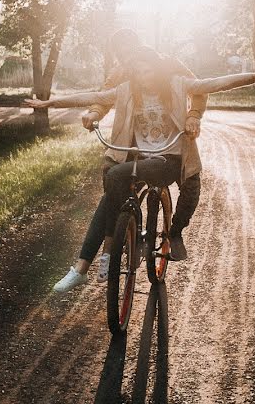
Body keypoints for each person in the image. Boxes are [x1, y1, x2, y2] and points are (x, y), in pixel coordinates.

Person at [25, 46, 255, 292]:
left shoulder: (177, 84)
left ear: (159, 68)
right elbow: (94, 96)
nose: (144, 77)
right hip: (141, 158)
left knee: (128, 177)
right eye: (138, 72)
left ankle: (166, 235)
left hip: (169, 160)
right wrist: (48, 104)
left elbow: (215, 84)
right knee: (111, 189)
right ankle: (86, 264)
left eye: (148, 70)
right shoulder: (128, 90)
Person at [80, 30, 205, 276]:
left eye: (129, 53)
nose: (126, 61)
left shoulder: (169, 65)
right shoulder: (120, 74)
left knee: (191, 184)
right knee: (113, 178)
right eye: (121, 56)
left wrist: (193, 116)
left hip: (172, 144)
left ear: (139, 48)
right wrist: (93, 113)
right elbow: (103, 98)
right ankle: (128, 228)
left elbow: (199, 89)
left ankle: (176, 232)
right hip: (134, 144)